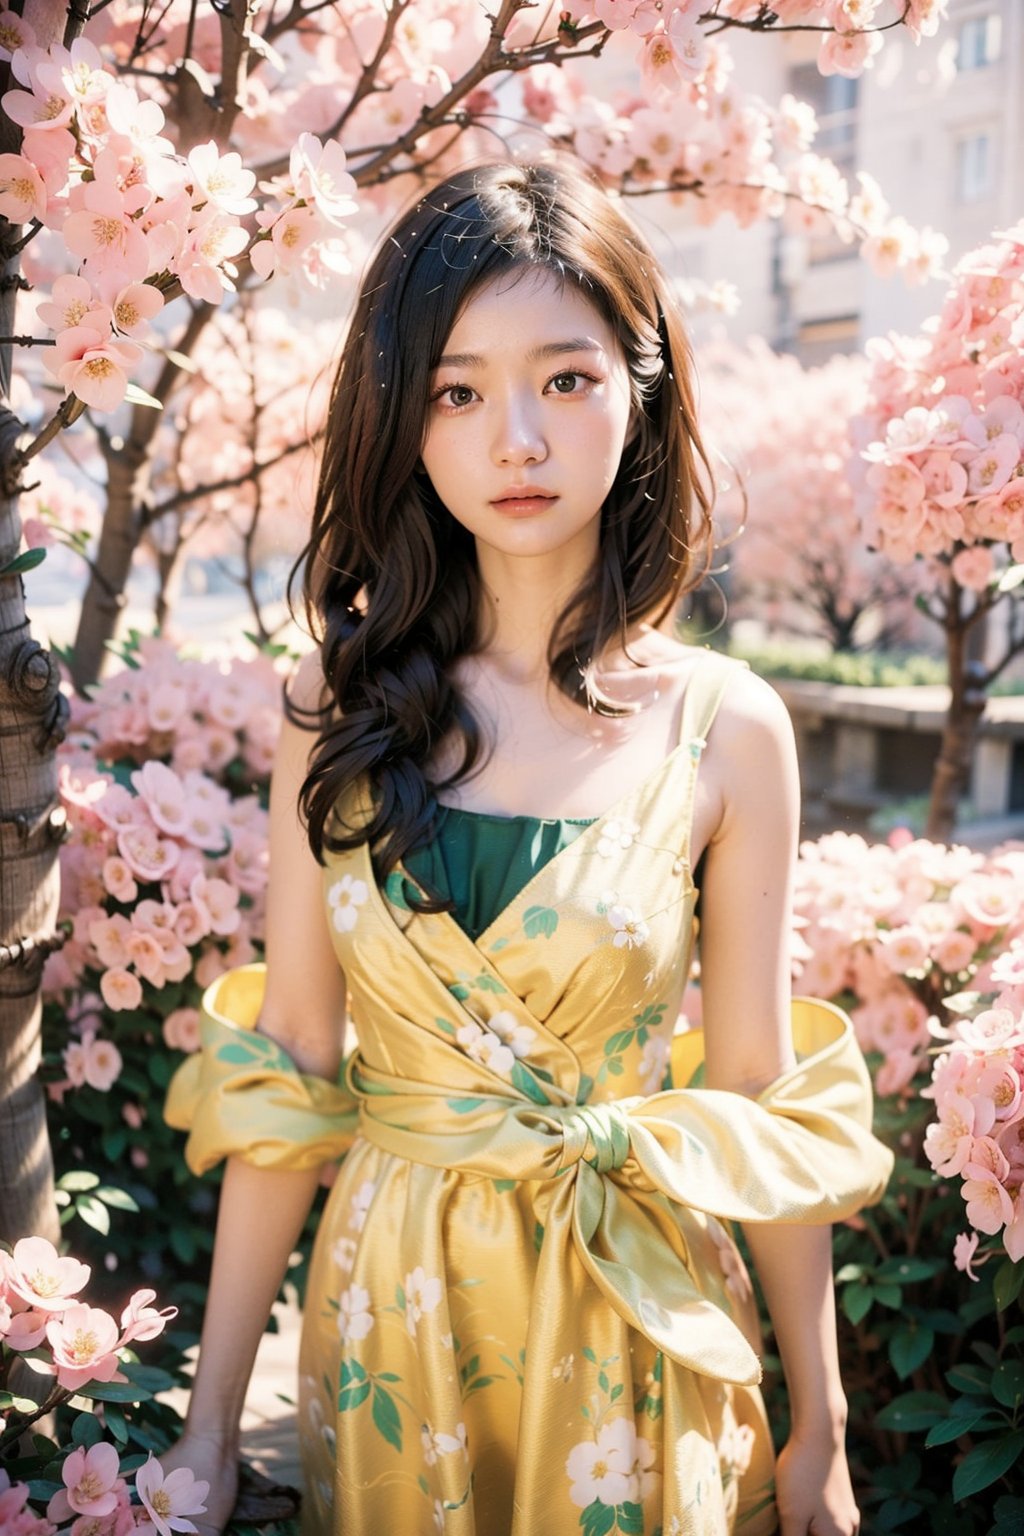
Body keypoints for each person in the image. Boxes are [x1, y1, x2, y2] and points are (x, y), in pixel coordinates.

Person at [164, 158, 893, 1536]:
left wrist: (824, 1424)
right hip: (395, 1324)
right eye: (458, 389)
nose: (517, 439)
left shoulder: (725, 728)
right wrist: (208, 1430)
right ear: (404, 418)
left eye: (565, 379)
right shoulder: (333, 710)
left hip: (633, 1316)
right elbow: (295, 1071)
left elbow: (753, 1098)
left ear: (642, 389)